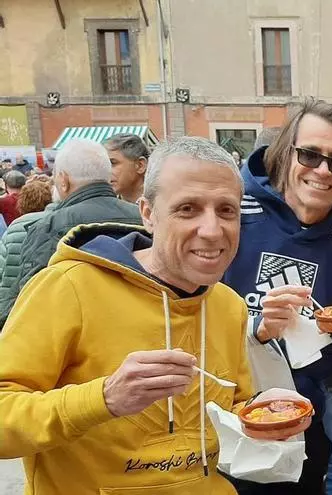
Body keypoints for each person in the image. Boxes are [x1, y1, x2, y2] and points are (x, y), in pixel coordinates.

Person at [0, 136, 308, 494]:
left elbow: (233, 405)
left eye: (226, 210)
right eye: (187, 209)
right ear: (147, 213)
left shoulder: (229, 304)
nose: (211, 231)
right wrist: (105, 399)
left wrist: (267, 417)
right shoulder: (68, 287)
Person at [222, 99, 332, 494]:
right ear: (286, 153)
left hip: (298, 433)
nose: (323, 170)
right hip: (220, 427)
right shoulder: (231, 213)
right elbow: (190, 305)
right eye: (310, 155)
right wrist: (258, 328)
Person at [0, 139, 142, 325]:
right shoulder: (143, 219)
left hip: (73, 337)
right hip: (135, 329)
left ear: (63, 180)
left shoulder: (50, 226)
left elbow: (30, 300)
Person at [0, 177, 54, 308]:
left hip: (14, 298)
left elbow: (2, 267)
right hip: (47, 294)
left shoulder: (14, 228)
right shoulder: (56, 223)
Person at [104, 133, 150, 203]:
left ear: (140, 165)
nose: (105, 171)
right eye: (104, 165)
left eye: (113, 163)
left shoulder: (163, 204)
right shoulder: (104, 208)